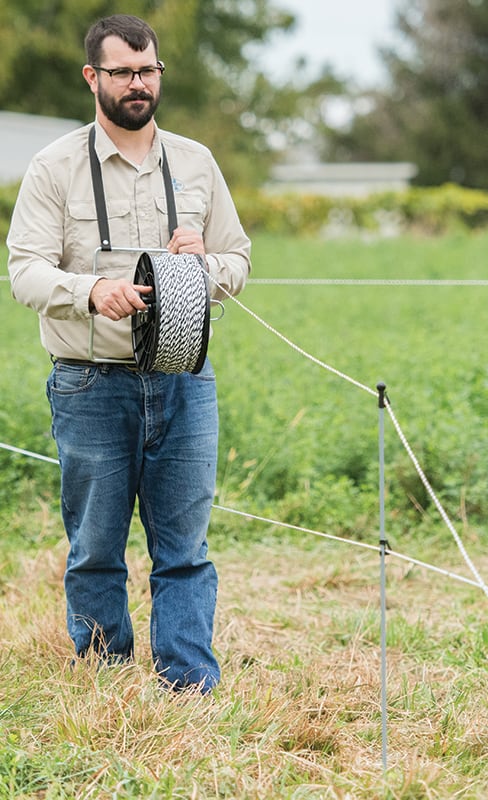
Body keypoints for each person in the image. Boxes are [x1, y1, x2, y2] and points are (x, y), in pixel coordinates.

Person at [6, 14, 251, 693]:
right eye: (122, 72)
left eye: (149, 71)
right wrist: (91, 291)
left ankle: (189, 685)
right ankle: (103, 683)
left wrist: (207, 266)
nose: (138, 84)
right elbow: (23, 269)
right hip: (89, 384)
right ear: (93, 77)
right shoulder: (54, 166)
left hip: (185, 378)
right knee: (95, 549)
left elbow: (239, 259)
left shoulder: (196, 162)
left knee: (185, 550)